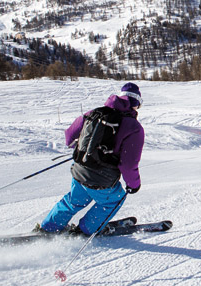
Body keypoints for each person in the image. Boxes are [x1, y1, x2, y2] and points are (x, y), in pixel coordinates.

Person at [37, 83, 145, 235]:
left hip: (80, 168)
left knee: (74, 200)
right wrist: (133, 184)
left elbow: (69, 137)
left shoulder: (95, 112)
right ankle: (85, 230)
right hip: (102, 177)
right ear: (137, 104)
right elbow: (128, 164)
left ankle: (48, 228)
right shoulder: (134, 127)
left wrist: (88, 149)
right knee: (114, 200)